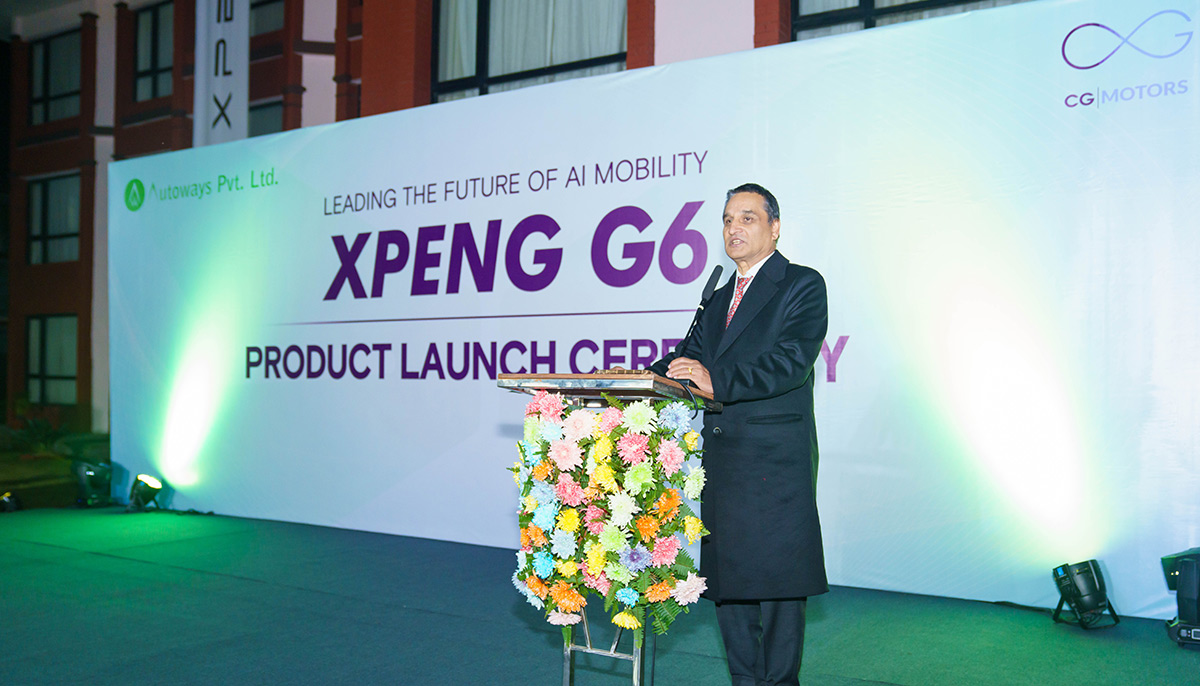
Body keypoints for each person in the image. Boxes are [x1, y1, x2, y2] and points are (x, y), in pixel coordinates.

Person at [649, 183, 828, 686]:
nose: (734, 228)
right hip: (725, 462)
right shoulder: (719, 295)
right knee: (730, 587)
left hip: (775, 462)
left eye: (748, 218)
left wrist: (717, 381)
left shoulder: (801, 284)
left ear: (775, 227)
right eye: (728, 219)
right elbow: (686, 358)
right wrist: (640, 378)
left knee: (779, 587)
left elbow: (790, 362)